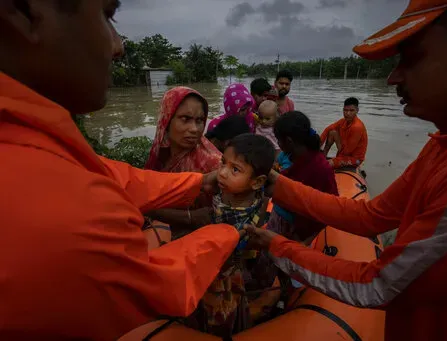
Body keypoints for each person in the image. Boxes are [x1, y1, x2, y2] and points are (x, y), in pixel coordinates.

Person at [245, 1, 447, 340]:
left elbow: (380, 285)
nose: (392, 78)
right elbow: (372, 216)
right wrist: (276, 184)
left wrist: (276, 245)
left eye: (412, 57)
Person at [0, 1, 242, 340]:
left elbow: (113, 175)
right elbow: (154, 284)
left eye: (200, 120)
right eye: (107, 15)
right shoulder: (75, 217)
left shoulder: (36, 146)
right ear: (24, 10)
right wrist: (230, 231)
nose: (118, 45)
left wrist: (201, 182)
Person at [186, 133, 275, 338]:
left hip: (224, 275)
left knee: (220, 316)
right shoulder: (231, 188)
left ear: (257, 182)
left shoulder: (242, 219)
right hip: (214, 263)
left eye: (235, 169)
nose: (223, 173)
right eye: (223, 163)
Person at [251, 111, 339, 289]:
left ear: (288, 141)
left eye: (278, 139)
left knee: (287, 260)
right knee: (268, 257)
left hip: (297, 226)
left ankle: (280, 291)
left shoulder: (320, 167)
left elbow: (330, 207)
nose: (278, 143)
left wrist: (306, 239)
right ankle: (266, 287)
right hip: (279, 216)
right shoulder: (290, 158)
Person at [143, 87, 222, 242]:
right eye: (185, 119)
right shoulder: (161, 154)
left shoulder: (213, 163)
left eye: (199, 121)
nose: (194, 129)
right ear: (166, 120)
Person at [321, 97, 368, 170]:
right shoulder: (343, 121)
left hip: (355, 159)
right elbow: (327, 129)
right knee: (332, 132)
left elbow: (347, 152)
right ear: (343, 110)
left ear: (357, 110)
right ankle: (323, 156)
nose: (348, 113)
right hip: (344, 151)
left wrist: (334, 161)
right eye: (345, 110)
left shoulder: (357, 127)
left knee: (323, 165)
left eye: (351, 110)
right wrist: (316, 146)